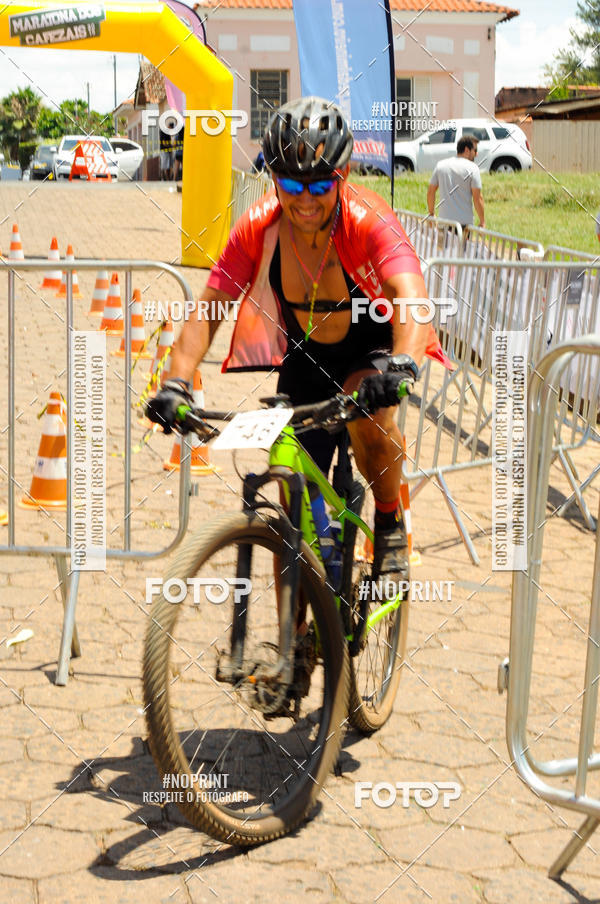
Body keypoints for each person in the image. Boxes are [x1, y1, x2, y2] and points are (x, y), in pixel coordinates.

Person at [147, 96, 451, 587]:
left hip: (368, 349)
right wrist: (175, 384)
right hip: (306, 359)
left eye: (319, 184)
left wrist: (403, 367)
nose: (305, 199)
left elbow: (410, 297)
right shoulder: (258, 227)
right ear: (273, 179)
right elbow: (208, 309)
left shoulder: (367, 220)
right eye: (291, 183)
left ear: (344, 174)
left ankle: (390, 523)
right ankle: (297, 642)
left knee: (373, 421)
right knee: (291, 503)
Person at [427, 135, 485, 229]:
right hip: (464, 226)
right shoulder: (473, 168)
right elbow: (478, 198)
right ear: (467, 150)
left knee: (443, 244)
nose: (476, 154)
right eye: (475, 150)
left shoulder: (441, 165)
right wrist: (482, 221)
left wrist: (431, 213)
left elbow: (430, 191)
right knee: (461, 244)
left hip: (443, 223)